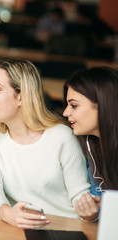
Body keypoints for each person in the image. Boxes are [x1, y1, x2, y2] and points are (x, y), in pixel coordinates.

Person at [0, 59, 90, 229]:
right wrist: (6, 213)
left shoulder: (61, 137)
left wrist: (90, 211)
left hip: (65, 228)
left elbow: (80, 196)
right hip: (21, 228)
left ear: (21, 97)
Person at [63, 66, 118, 222]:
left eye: (74, 105)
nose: (65, 112)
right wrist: (95, 212)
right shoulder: (89, 144)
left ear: (102, 105)